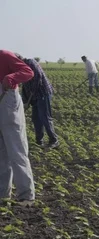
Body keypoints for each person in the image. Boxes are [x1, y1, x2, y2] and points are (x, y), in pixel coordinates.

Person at [0, 50, 36, 206]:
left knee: (16, 149)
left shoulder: (4, 55)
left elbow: (28, 72)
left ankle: (26, 195)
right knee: (1, 153)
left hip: (8, 100)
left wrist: (11, 77)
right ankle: (3, 195)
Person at [19, 55, 60, 149]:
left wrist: (32, 93)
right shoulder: (20, 68)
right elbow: (24, 85)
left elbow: (38, 77)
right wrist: (25, 100)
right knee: (36, 118)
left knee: (44, 116)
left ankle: (54, 140)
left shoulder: (31, 62)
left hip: (43, 93)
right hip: (34, 97)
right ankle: (39, 141)